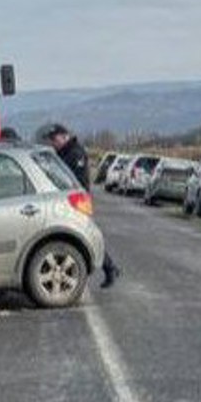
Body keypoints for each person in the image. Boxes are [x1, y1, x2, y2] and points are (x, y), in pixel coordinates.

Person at [44, 123, 121, 288]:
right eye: (51, 140)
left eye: (55, 139)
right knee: (83, 235)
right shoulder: (63, 152)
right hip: (68, 199)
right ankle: (109, 268)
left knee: (87, 236)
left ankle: (110, 268)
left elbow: (77, 180)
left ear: (65, 136)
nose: (53, 142)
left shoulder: (75, 153)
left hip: (77, 200)